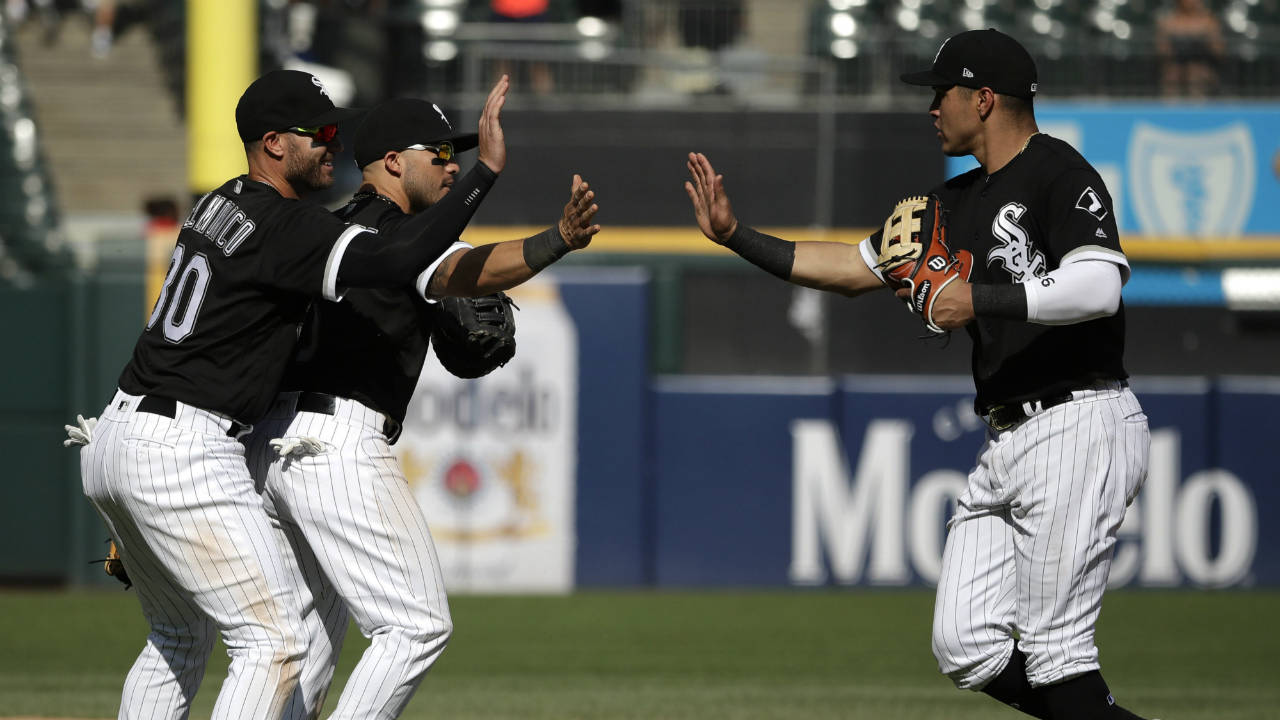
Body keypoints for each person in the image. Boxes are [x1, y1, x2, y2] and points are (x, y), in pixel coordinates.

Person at [684, 28, 1152, 720]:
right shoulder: (951, 205)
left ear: (984, 98)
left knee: (1057, 654)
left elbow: (1098, 288)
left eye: (943, 93)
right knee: (967, 645)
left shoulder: (1061, 172)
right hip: (1008, 436)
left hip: (1077, 419)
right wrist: (735, 235)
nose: (933, 108)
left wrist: (980, 297)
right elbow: (849, 269)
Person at [74, 69, 511, 719]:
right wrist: (506, 197)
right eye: (322, 132)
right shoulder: (284, 224)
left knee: (179, 637)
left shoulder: (217, 203)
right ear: (274, 143)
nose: (334, 143)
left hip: (124, 429)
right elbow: (395, 261)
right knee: (275, 643)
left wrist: (141, 505)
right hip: (186, 445)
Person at [241, 96, 600, 719]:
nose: (452, 165)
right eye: (438, 154)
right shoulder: (397, 235)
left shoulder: (326, 227)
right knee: (416, 626)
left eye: (456, 155)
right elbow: (465, 271)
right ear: (390, 161)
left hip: (273, 447)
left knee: (305, 647)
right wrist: (558, 239)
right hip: (337, 446)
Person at [1156, 0, 1223, 98]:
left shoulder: (1209, 22)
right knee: (1172, 75)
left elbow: (1219, 51)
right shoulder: (1168, 22)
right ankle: (1171, 110)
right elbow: (1162, 51)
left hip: (1202, 66)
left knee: (1195, 74)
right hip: (1176, 66)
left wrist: (1208, 43)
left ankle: (1199, 109)